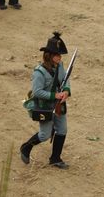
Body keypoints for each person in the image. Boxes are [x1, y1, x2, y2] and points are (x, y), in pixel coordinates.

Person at [20, 32, 72, 169]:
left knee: (62, 130)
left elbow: (65, 79)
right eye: (57, 55)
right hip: (45, 106)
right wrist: (54, 95)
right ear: (49, 55)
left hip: (59, 105)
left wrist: (66, 90)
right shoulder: (39, 72)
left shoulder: (59, 66)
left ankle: (55, 158)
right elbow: (37, 92)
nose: (60, 57)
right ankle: (26, 147)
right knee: (44, 135)